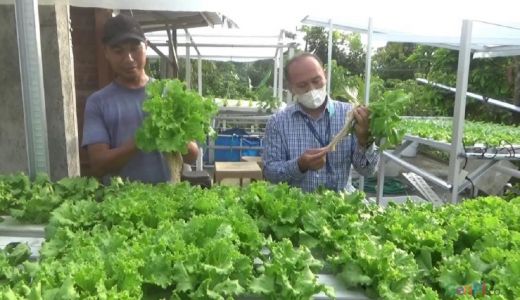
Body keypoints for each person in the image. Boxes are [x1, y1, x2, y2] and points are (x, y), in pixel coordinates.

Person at [81, 14, 198, 184]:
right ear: (106, 52)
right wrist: (141, 140)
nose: (128, 58)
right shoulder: (98, 102)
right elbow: (98, 164)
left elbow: (192, 156)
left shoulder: (169, 93)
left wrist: (173, 135)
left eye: (135, 48)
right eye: (118, 51)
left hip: (168, 201)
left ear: (146, 46)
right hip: (118, 201)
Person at [262, 53, 379, 192]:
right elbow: (269, 173)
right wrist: (300, 165)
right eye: (302, 85)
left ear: (325, 75)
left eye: (316, 81)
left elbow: (368, 171)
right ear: (290, 88)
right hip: (300, 205)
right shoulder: (277, 123)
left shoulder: (350, 115)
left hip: (342, 203)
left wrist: (364, 141)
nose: (311, 89)